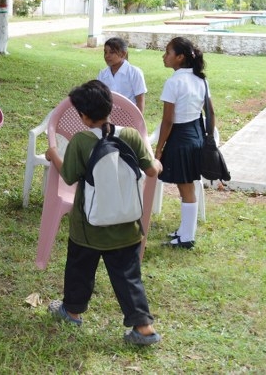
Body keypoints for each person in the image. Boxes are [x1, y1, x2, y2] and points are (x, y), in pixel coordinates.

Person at [44, 80, 162, 346]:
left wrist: (53, 153)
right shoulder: (131, 135)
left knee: (79, 269)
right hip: (127, 227)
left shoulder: (81, 141)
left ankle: (72, 311)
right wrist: (157, 161)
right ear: (110, 108)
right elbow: (152, 169)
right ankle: (144, 328)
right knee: (129, 276)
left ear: (84, 117)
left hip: (89, 227)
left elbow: (70, 176)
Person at [155, 37, 212, 249]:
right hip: (196, 135)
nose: (164, 56)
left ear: (180, 57)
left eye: (168, 52)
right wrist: (209, 139)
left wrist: (159, 149)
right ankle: (184, 231)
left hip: (181, 137)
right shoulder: (201, 80)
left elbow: (168, 120)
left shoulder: (174, 82)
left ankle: (187, 237)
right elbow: (210, 112)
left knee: (186, 188)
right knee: (186, 186)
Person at [97, 37, 147, 112]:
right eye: (105, 52)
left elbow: (140, 101)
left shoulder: (134, 73)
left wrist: (138, 122)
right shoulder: (103, 74)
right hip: (108, 116)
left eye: (112, 52)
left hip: (129, 116)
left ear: (123, 54)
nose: (107, 56)